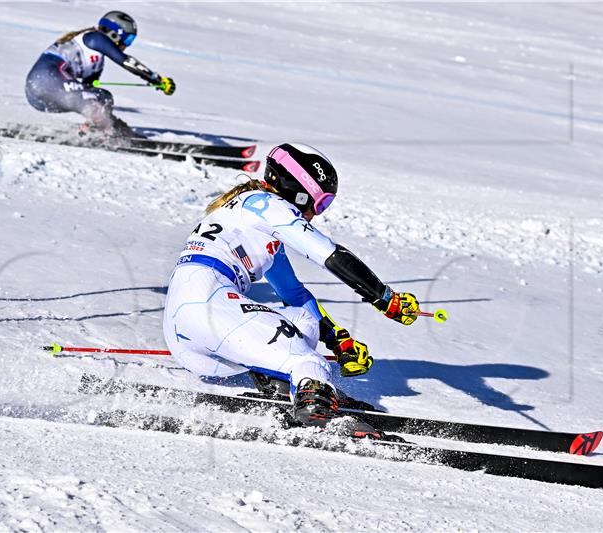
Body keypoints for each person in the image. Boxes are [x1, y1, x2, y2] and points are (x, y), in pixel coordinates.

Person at [162, 143, 421, 433]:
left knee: (303, 321)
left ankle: (294, 387)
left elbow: (294, 294)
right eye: (320, 202)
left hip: (187, 328)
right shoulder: (268, 205)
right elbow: (328, 253)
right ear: (299, 189)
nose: (316, 213)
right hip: (208, 302)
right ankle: (316, 405)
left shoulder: (250, 215)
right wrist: (385, 298)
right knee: (309, 361)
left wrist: (338, 340)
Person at [25, 10, 175, 137]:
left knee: (101, 97)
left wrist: (108, 119)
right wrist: (156, 79)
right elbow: (126, 61)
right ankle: (103, 131)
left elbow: (88, 90)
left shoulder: (95, 61)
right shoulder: (94, 37)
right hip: (47, 81)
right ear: (115, 34)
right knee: (101, 99)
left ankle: (97, 129)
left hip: (37, 95)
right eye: (128, 39)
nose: (127, 45)